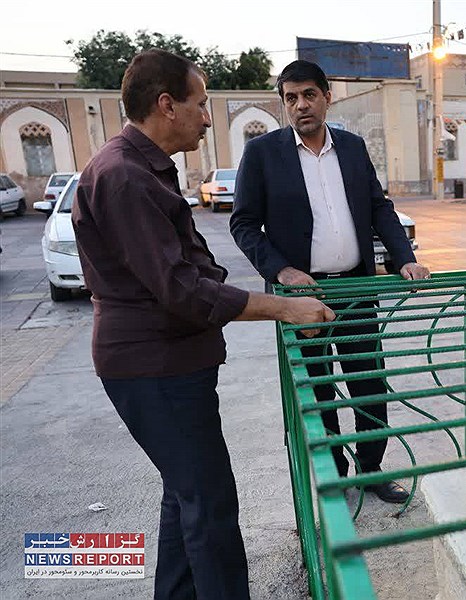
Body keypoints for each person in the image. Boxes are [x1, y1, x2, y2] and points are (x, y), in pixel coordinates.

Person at [72, 49, 334, 599]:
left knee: (186, 493)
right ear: (167, 105)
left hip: (170, 362)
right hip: (154, 367)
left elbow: (189, 270)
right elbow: (182, 290)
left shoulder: (142, 168)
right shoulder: (123, 176)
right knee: (209, 503)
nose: (209, 118)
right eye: (201, 104)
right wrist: (284, 307)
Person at [230, 60, 430, 504]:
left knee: (369, 384)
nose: (300, 105)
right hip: (303, 298)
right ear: (284, 104)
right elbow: (243, 224)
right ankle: (334, 476)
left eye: (308, 95)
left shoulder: (353, 148)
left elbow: (379, 207)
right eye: (291, 98)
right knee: (318, 390)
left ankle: (371, 469)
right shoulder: (262, 154)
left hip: (357, 291)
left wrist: (404, 259)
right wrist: (281, 271)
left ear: (326, 97)